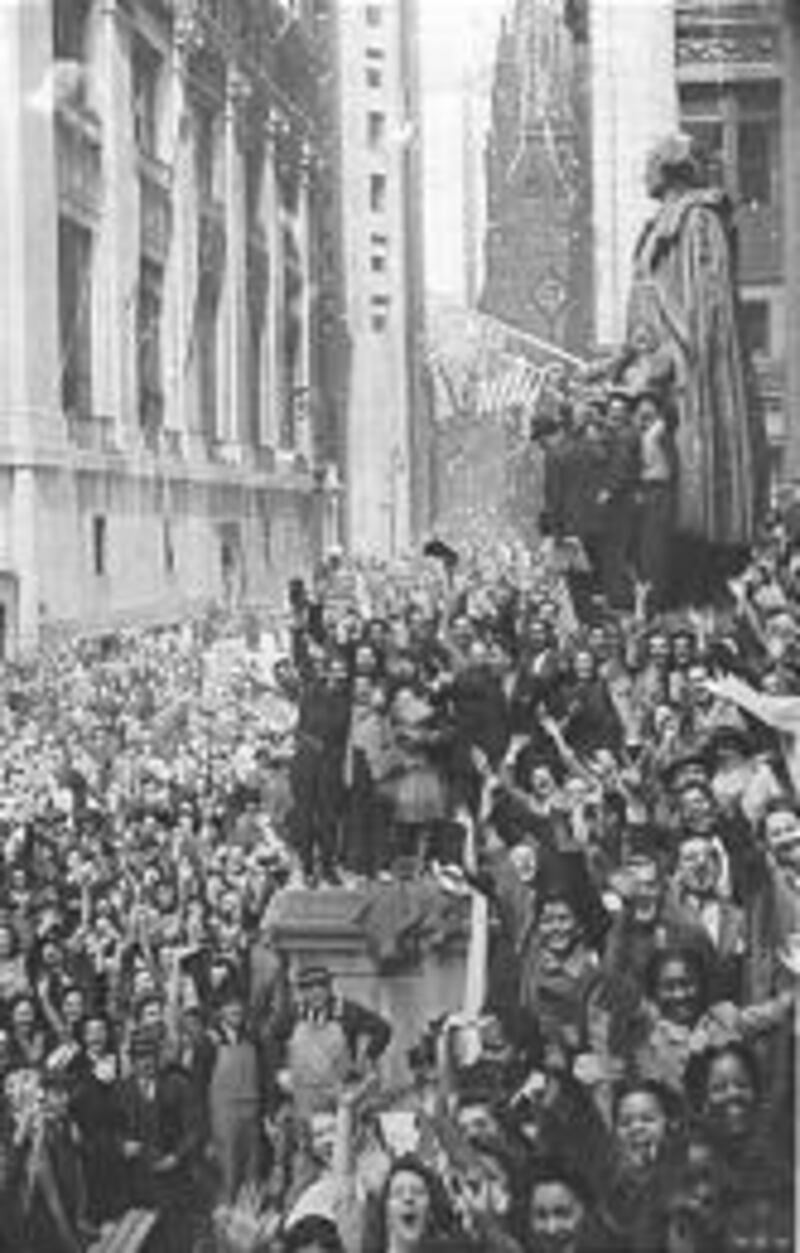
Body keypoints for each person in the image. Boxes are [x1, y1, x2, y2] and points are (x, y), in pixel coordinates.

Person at [626, 132, 767, 596]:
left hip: (691, 374)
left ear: (670, 166)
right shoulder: (658, 225)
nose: (644, 169)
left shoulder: (698, 218)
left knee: (693, 477)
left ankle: (703, 580)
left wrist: (677, 358)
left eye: (650, 159)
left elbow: (707, 307)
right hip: (659, 366)